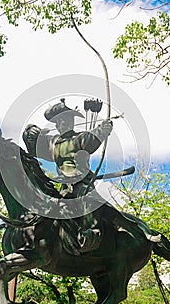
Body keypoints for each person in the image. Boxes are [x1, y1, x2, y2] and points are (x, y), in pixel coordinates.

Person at [22, 98, 113, 254]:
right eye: (58, 122)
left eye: (64, 120)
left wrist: (105, 125)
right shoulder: (54, 144)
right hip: (65, 186)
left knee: (87, 199)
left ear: (71, 122)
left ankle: (91, 235)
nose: (61, 124)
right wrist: (30, 132)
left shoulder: (80, 139)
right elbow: (35, 146)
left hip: (81, 184)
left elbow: (96, 135)